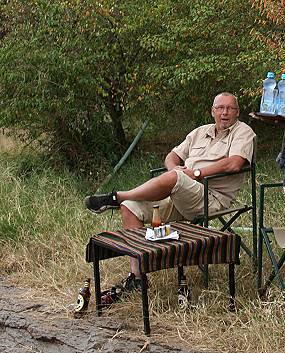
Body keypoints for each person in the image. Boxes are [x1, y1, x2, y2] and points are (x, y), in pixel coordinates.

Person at [85, 92, 255, 291]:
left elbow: (234, 163)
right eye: (220, 108)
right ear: (212, 111)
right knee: (129, 207)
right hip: (180, 196)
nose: (225, 113)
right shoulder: (200, 132)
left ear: (237, 112)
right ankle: (138, 278)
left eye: (230, 108)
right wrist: (173, 168)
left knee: (175, 178)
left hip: (210, 198)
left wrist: (195, 173)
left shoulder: (243, 132)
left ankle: (117, 196)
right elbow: (171, 156)